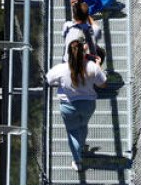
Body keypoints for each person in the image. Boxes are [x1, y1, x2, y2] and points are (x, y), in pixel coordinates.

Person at [45, 39, 107, 172]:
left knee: (72, 132)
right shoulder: (92, 67)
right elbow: (102, 84)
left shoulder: (61, 68)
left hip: (68, 106)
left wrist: (61, 83)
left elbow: (48, 80)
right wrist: (98, 66)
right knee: (83, 125)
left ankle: (77, 161)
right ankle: (82, 144)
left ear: (68, 54)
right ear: (84, 53)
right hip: (88, 105)